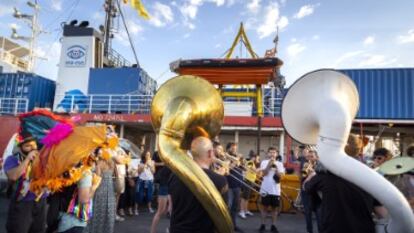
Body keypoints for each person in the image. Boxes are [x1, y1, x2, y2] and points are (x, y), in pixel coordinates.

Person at [168, 136, 228, 233]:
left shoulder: (174, 176)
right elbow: (223, 217)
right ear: (210, 153)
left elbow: (171, 207)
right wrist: (219, 178)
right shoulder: (220, 181)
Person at [4, 136, 47, 233]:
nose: (32, 148)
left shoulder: (41, 159)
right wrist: (27, 159)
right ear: (20, 147)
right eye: (28, 146)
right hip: (22, 203)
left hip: (41, 201)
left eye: (34, 145)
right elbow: (13, 176)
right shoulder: (12, 159)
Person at [85, 148, 117, 233]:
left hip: (100, 191)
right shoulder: (112, 163)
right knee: (108, 214)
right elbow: (114, 175)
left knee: (97, 213)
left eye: (99, 154)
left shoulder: (99, 164)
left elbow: (97, 179)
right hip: (110, 191)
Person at [258, 147, 285, 233]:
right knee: (264, 208)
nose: (272, 154)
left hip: (275, 190)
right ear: (268, 154)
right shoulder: (264, 162)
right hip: (265, 189)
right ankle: (263, 225)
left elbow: (280, 176)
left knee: (274, 209)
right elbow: (263, 174)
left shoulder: (280, 164)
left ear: (276, 154)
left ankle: (273, 225)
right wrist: (269, 166)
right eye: (270, 152)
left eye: (274, 152)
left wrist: (276, 168)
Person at [301, 149, 321, 233]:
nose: (310, 159)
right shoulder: (305, 165)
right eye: (308, 157)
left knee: (319, 216)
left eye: (312, 156)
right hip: (307, 193)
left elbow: (321, 179)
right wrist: (306, 174)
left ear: (317, 157)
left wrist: (313, 173)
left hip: (317, 194)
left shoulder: (320, 166)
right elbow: (302, 179)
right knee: (308, 215)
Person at [225, 142, 244, 232]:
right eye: (232, 148)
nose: (234, 150)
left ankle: (233, 225)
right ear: (228, 148)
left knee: (235, 207)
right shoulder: (225, 157)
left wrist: (241, 161)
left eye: (235, 148)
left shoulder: (236, 157)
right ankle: (226, 225)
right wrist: (235, 160)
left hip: (237, 185)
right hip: (229, 185)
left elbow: (243, 168)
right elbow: (227, 169)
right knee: (228, 206)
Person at [239, 150, 257, 219]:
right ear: (254, 157)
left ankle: (245, 210)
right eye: (255, 157)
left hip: (250, 181)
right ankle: (241, 211)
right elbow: (253, 170)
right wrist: (259, 169)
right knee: (244, 197)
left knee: (247, 197)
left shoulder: (251, 162)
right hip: (247, 181)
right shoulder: (250, 162)